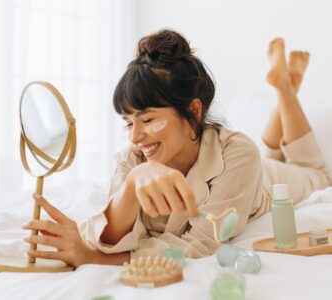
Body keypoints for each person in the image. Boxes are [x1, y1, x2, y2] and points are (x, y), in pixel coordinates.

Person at [23, 30, 331, 268]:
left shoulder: (239, 154)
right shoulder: (132, 159)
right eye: (129, 122)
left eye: (148, 119)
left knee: (315, 172)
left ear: (194, 112)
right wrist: (133, 183)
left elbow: (198, 247)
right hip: (255, 167)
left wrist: (93, 259)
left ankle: (287, 89)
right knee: (270, 150)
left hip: (270, 180)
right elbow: (108, 236)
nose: (136, 137)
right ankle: (285, 85)